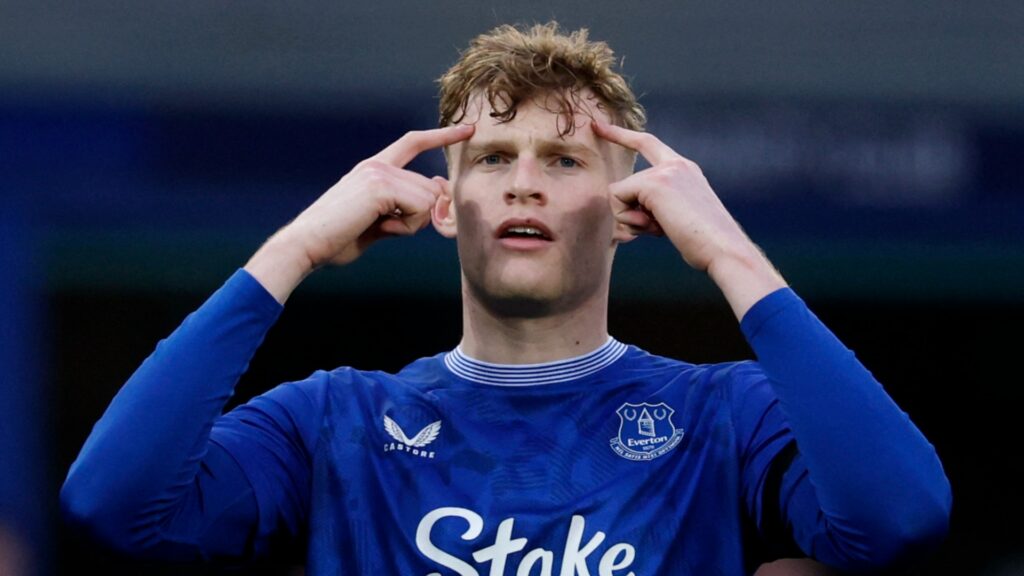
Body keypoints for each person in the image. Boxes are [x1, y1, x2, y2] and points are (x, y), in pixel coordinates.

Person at [61, 22, 951, 575]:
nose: (524, 182)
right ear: (445, 206)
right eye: (492, 158)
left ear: (629, 209)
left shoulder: (723, 415)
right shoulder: (333, 421)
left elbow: (899, 520)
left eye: (563, 160)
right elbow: (114, 510)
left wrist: (729, 253)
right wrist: (291, 250)